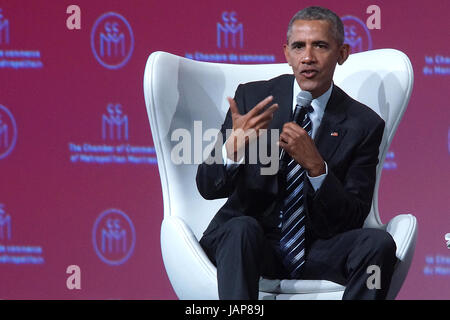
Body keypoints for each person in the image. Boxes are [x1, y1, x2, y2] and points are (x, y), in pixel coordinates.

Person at [196, 6, 397, 300]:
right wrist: (231, 150)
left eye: (320, 46)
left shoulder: (363, 125)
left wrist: (317, 167)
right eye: (299, 46)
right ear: (287, 53)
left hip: (316, 249)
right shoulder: (253, 100)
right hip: (249, 244)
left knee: (378, 245)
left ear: (342, 54)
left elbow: (352, 216)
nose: (308, 57)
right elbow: (206, 186)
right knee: (242, 229)